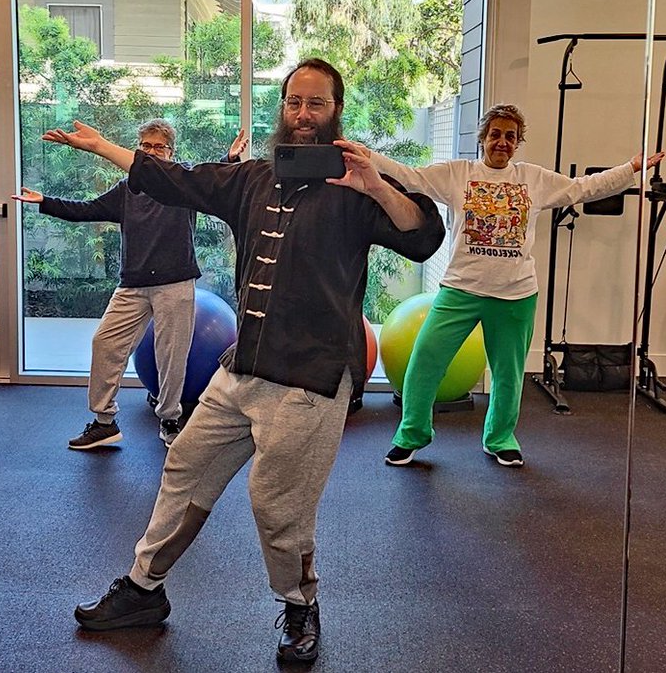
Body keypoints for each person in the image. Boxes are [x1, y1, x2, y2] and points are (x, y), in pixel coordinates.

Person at [42, 58, 445, 663]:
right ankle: (143, 588)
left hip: (310, 382)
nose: (303, 114)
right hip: (243, 369)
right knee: (184, 470)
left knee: (277, 507)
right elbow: (176, 180)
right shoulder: (253, 179)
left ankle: (299, 605)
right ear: (281, 108)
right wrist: (103, 147)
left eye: (316, 104)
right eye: (294, 102)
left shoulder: (357, 191)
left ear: (337, 110)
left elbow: (423, 236)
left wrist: (378, 185)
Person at [331, 103, 664, 468]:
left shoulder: (533, 179)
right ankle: (412, 435)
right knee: (424, 363)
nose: (501, 142)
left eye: (510, 136)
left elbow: (582, 189)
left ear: (518, 142)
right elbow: (409, 176)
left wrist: (630, 169)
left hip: (515, 295)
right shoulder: (459, 174)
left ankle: (500, 438)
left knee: (508, 375)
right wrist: (365, 154)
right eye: (495, 134)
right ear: (483, 139)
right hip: (461, 289)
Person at [14, 121, 247, 450]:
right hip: (133, 285)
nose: (151, 152)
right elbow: (88, 210)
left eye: (159, 147)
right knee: (104, 343)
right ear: (137, 151)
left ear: (170, 152)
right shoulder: (127, 189)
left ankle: (169, 419)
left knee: (172, 356)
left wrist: (230, 159)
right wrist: (45, 201)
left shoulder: (182, 184)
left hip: (175, 282)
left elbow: (212, 184)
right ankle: (104, 422)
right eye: (146, 147)